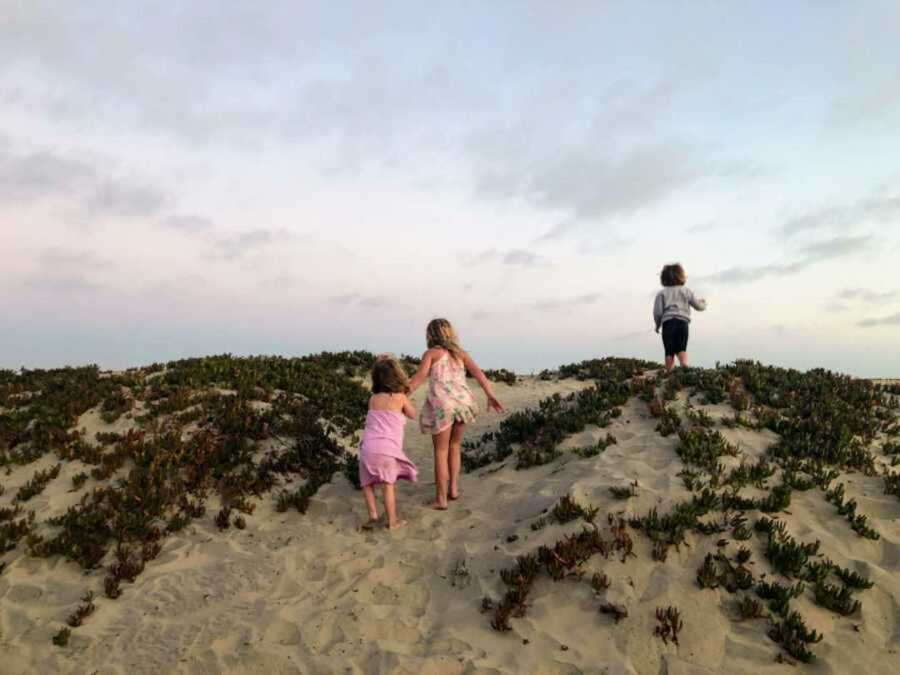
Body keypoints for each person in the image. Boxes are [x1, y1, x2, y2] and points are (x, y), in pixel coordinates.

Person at [408, 318, 504, 510]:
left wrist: (400, 395)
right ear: (451, 333)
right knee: (455, 446)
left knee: (440, 452)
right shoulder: (461, 354)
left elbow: (418, 378)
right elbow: (479, 374)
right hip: (463, 403)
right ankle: (453, 489)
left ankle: (441, 499)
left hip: (443, 405)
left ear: (430, 335)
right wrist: (490, 394)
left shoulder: (431, 354)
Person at [358, 355, 419, 530]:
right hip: (386, 450)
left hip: (367, 448)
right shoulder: (399, 397)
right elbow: (413, 414)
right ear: (397, 376)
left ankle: (373, 516)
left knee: (367, 483)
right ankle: (392, 522)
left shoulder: (373, 399)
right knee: (388, 485)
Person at [653, 263, 707, 373]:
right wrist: (703, 303)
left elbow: (657, 312)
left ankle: (670, 371)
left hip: (668, 323)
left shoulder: (661, 293)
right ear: (682, 276)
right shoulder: (686, 291)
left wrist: (657, 325)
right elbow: (698, 306)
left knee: (669, 350)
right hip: (683, 323)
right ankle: (684, 365)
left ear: (664, 278)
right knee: (681, 348)